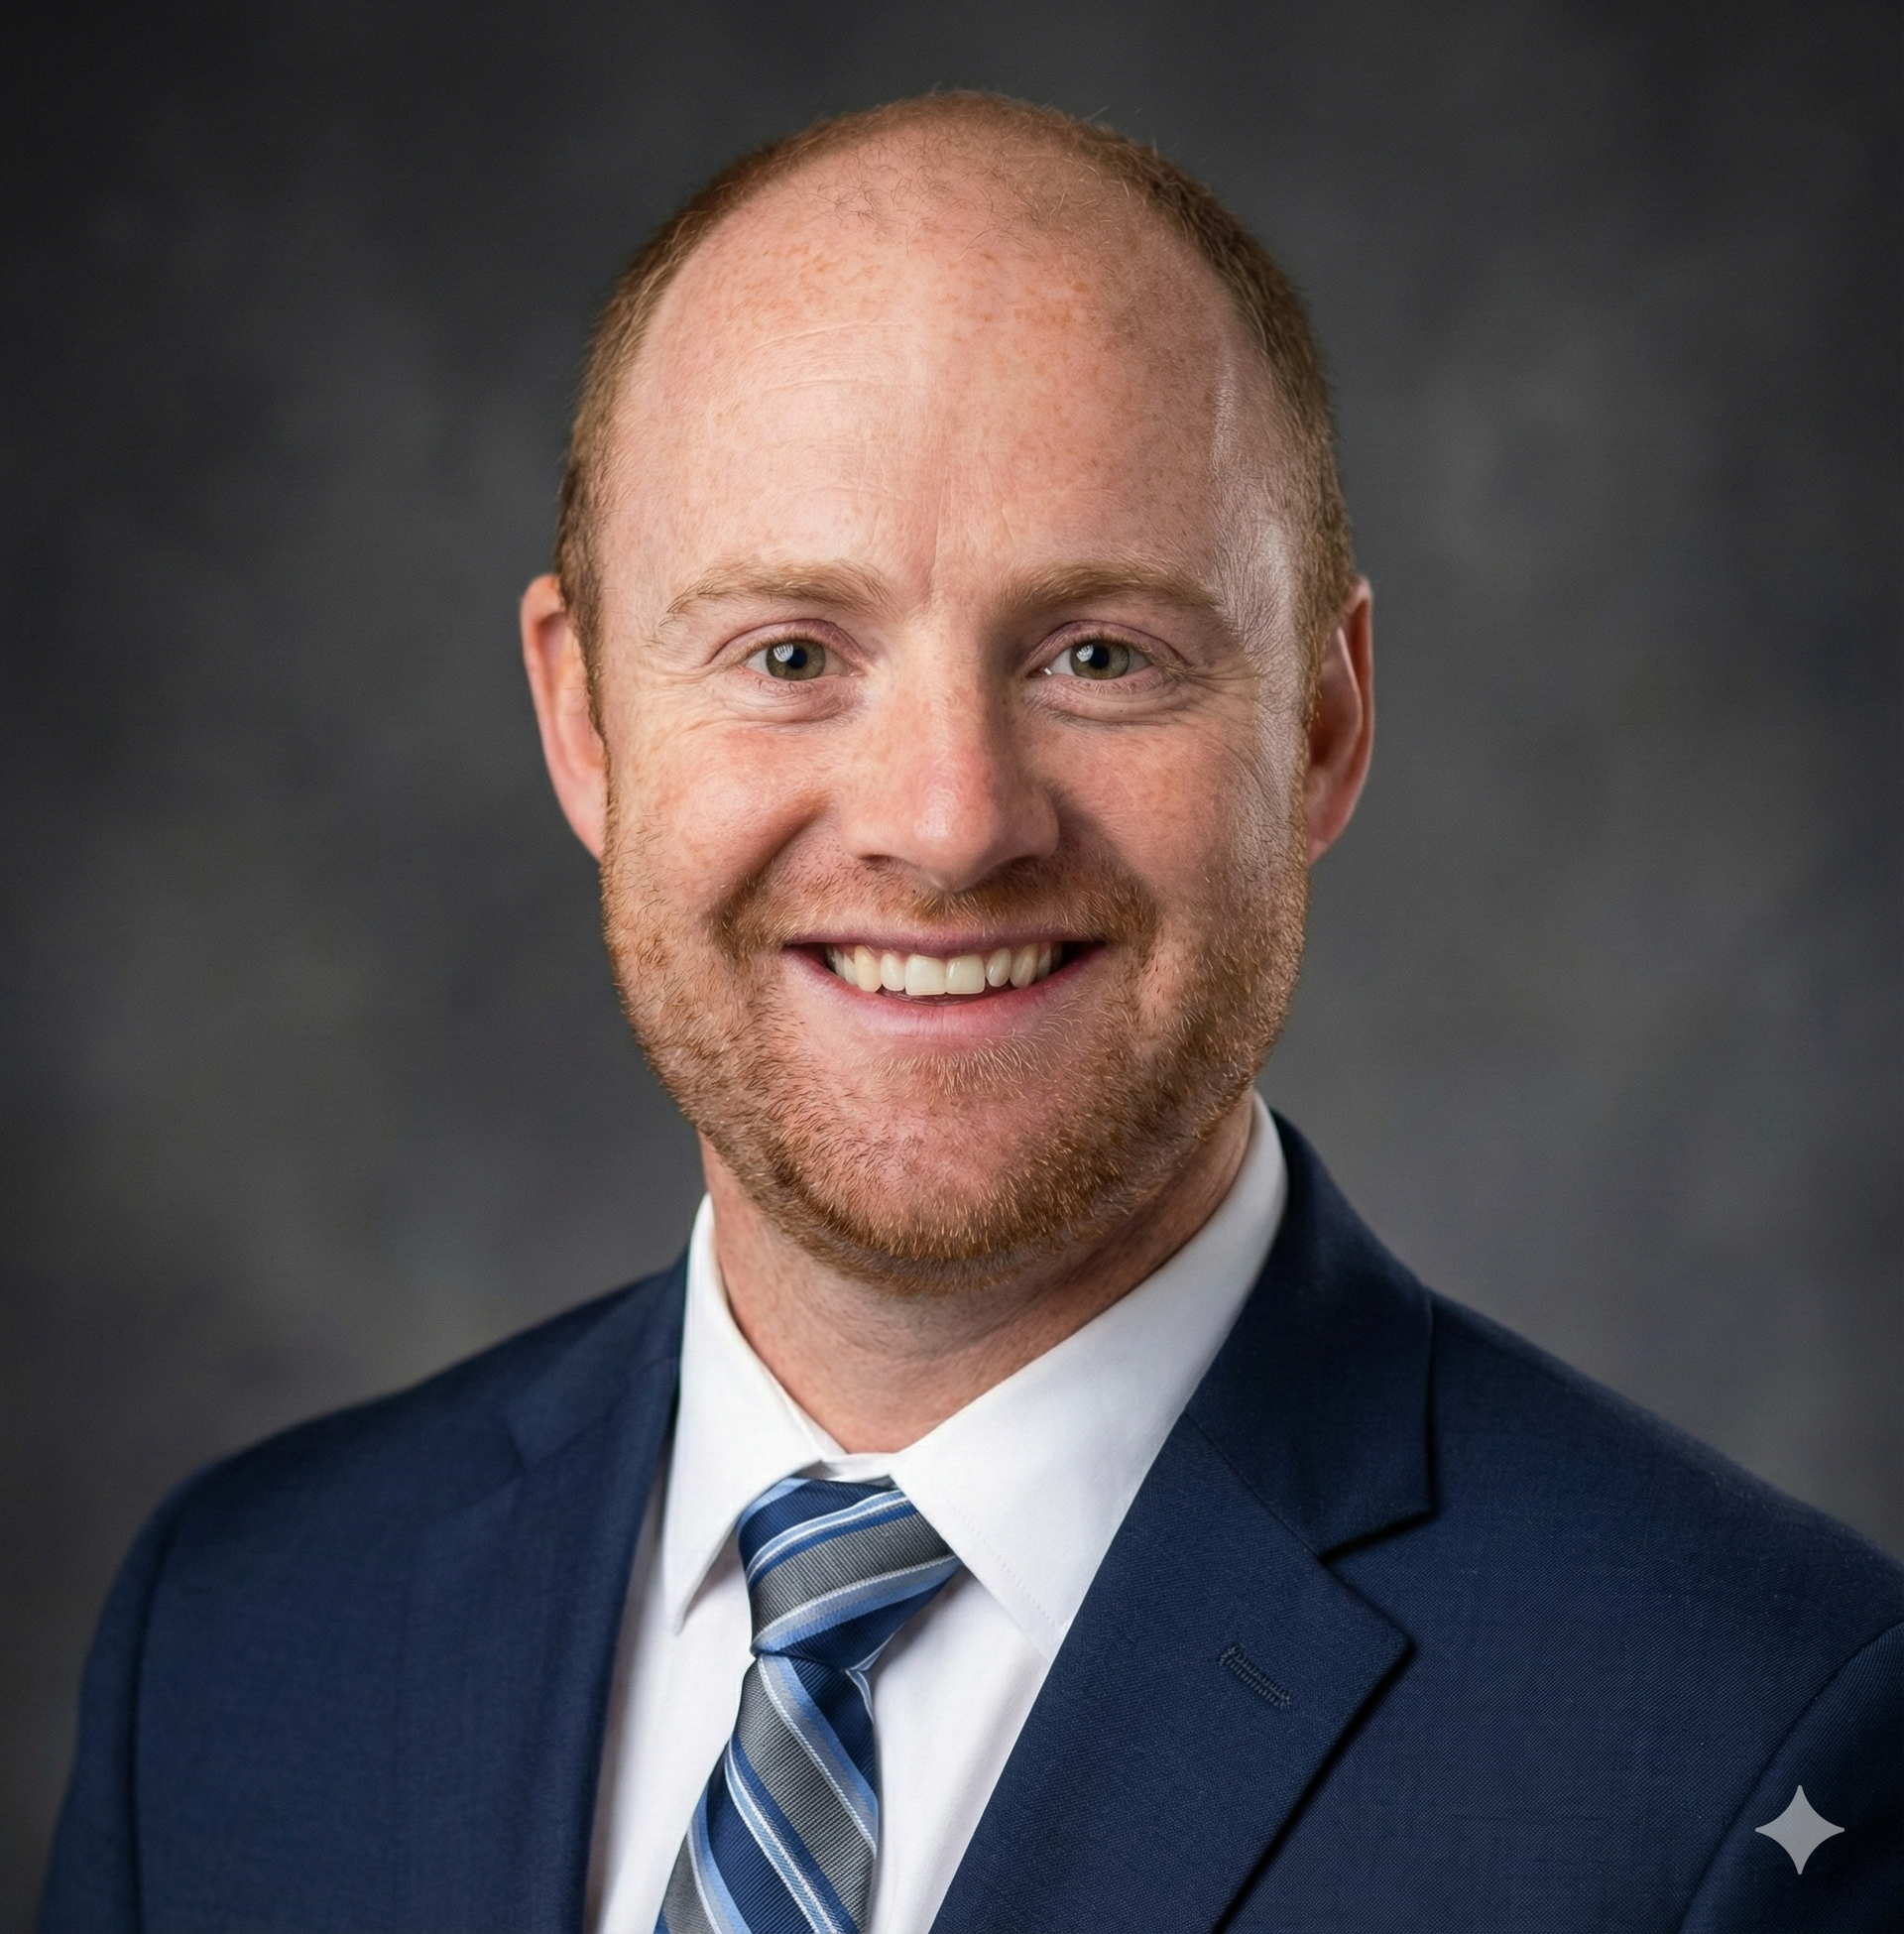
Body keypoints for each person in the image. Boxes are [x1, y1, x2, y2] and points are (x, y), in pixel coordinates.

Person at [39, 92, 1901, 1934]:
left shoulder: (1751, 1745)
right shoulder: (238, 1632)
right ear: (585, 719)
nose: (947, 823)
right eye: (789, 652)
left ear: (1323, 724)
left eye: (1099, 653)